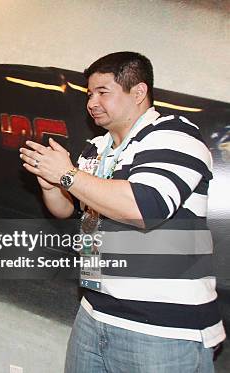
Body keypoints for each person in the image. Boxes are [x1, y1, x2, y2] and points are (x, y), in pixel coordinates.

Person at [18, 52, 224, 372]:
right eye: (89, 94)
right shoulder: (96, 148)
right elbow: (67, 210)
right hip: (94, 312)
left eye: (103, 92)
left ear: (138, 92)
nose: (92, 102)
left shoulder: (174, 135)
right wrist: (49, 184)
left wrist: (68, 176)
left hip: (162, 330)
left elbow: (145, 209)